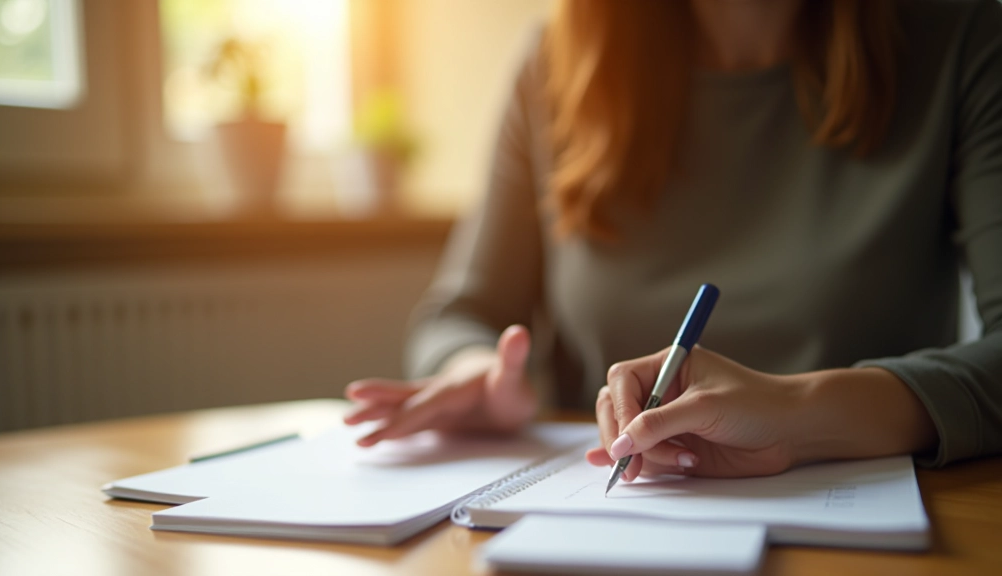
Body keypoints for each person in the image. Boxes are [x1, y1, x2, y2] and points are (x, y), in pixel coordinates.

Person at [343, 0, 1002, 483]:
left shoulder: (962, 40)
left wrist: (799, 414)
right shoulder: (556, 64)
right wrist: (476, 373)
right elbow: (460, 314)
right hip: (607, 524)